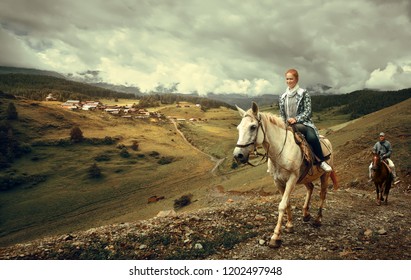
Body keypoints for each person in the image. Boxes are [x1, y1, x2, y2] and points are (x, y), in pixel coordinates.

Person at [278, 68, 332, 172]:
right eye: (287, 79)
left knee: (312, 138)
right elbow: (282, 114)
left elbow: (308, 111)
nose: (289, 81)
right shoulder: (282, 97)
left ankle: (321, 161)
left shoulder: (303, 93)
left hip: (303, 123)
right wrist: (282, 123)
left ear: (296, 79)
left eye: (291, 79)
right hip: (287, 124)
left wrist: (296, 119)